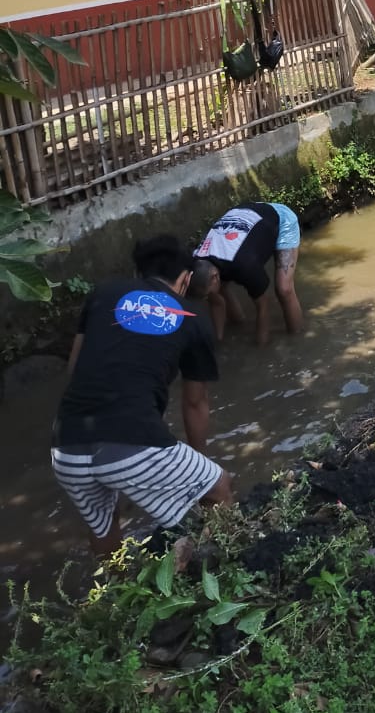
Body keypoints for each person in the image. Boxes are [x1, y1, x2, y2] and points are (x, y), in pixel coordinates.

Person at [51, 236, 232, 556]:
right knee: (217, 486)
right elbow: (194, 403)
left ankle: (112, 593)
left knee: (104, 525)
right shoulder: (193, 318)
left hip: (66, 446)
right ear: (186, 279)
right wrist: (199, 468)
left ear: (138, 275)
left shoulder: (103, 294)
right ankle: (224, 565)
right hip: (130, 440)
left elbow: (75, 368)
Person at [191, 202, 303, 345]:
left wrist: (260, 349)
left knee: (284, 289)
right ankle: (238, 323)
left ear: (214, 276)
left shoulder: (245, 266)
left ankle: (297, 338)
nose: (208, 298)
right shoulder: (198, 260)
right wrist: (217, 342)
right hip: (250, 216)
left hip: (280, 219)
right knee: (221, 289)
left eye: (207, 295)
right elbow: (216, 303)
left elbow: (263, 306)